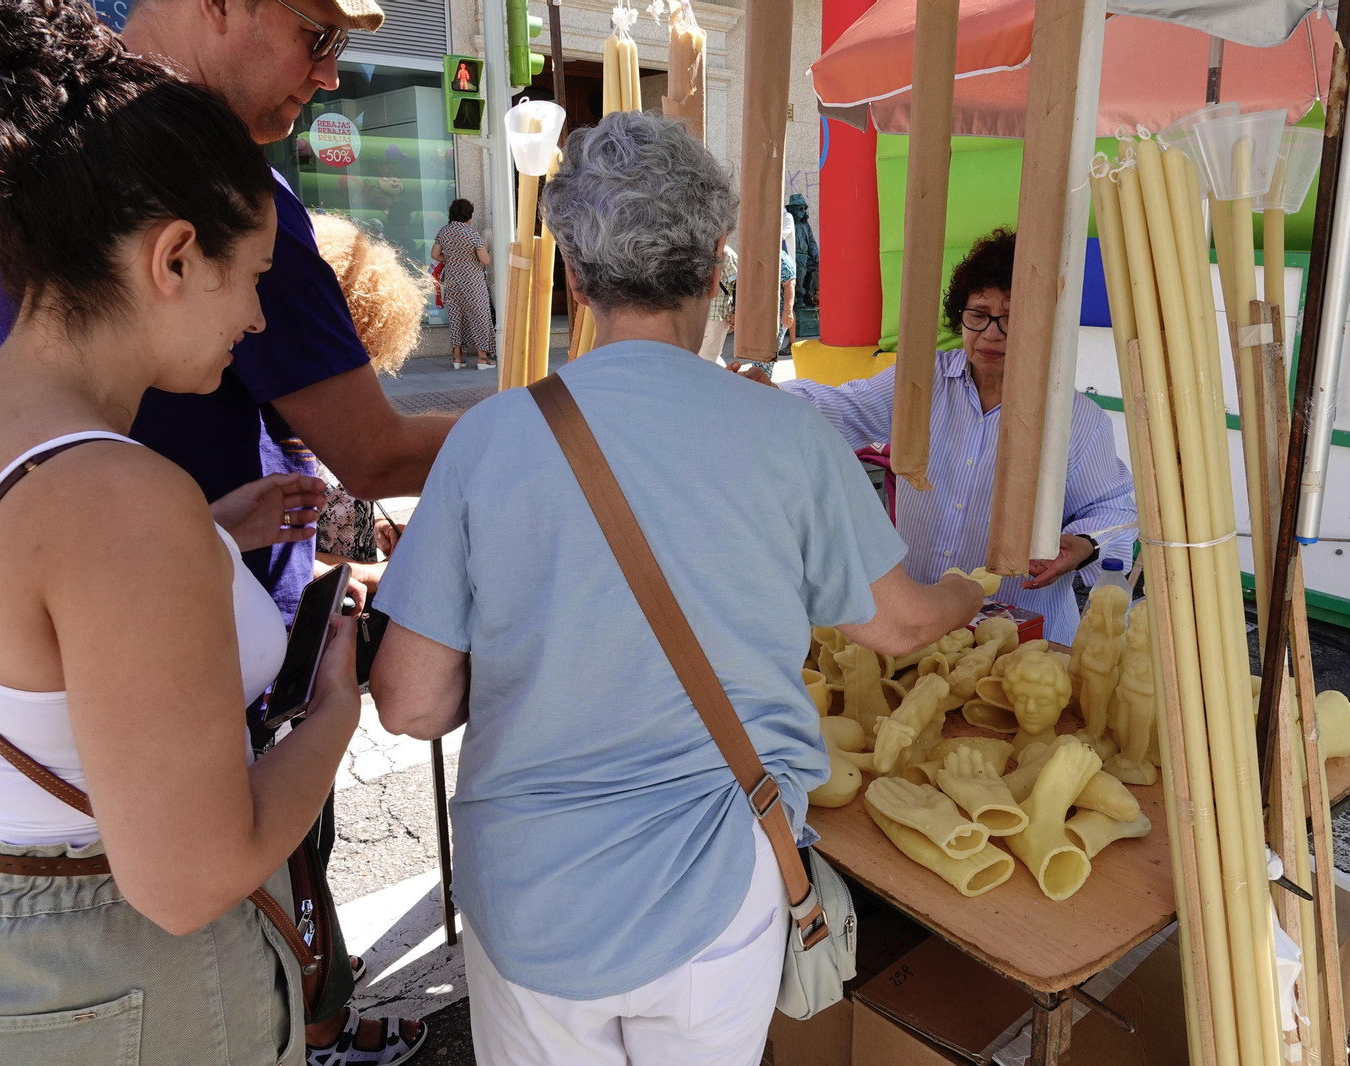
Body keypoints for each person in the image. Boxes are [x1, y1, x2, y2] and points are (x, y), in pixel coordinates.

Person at [368, 111, 983, 1066]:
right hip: (718, 892)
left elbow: (408, 703)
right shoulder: (788, 439)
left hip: (529, 896)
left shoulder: (487, 439)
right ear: (716, 264)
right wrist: (966, 592)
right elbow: (900, 628)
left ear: (575, 276)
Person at [0, 0, 442, 1055]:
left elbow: (17, 629)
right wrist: (334, 716)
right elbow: (190, 879)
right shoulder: (124, 501)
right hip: (121, 988)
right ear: (174, 258)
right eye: (253, 280)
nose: (258, 321)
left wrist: (213, 532)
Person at [739, 227, 1136, 646]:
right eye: (978, 314)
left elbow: (1114, 508)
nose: (991, 333)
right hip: (924, 618)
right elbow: (844, 407)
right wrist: (769, 395)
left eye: (1012, 317)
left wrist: (1083, 544)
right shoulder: (921, 383)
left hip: (1025, 635)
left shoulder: (1075, 418)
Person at [310, 212, 430, 593]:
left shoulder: (330, 412)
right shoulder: (276, 425)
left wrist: (373, 529)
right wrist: (368, 572)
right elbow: (272, 557)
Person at [431, 198, 494, 370]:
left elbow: (435, 254)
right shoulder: (472, 234)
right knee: (479, 315)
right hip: (473, 282)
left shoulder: (444, 232)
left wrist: (452, 259)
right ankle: (482, 358)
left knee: (456, 316)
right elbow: (485, 260)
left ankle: (457, 357)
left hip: (452, 280)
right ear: (468, 216)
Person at [698, 242, 736, 362]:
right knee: (704, 356)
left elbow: (739, 283)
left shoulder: (726, 253)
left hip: (716, 314)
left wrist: (735, 311)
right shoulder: (698, 249)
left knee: (708, 356)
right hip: (698, 314)